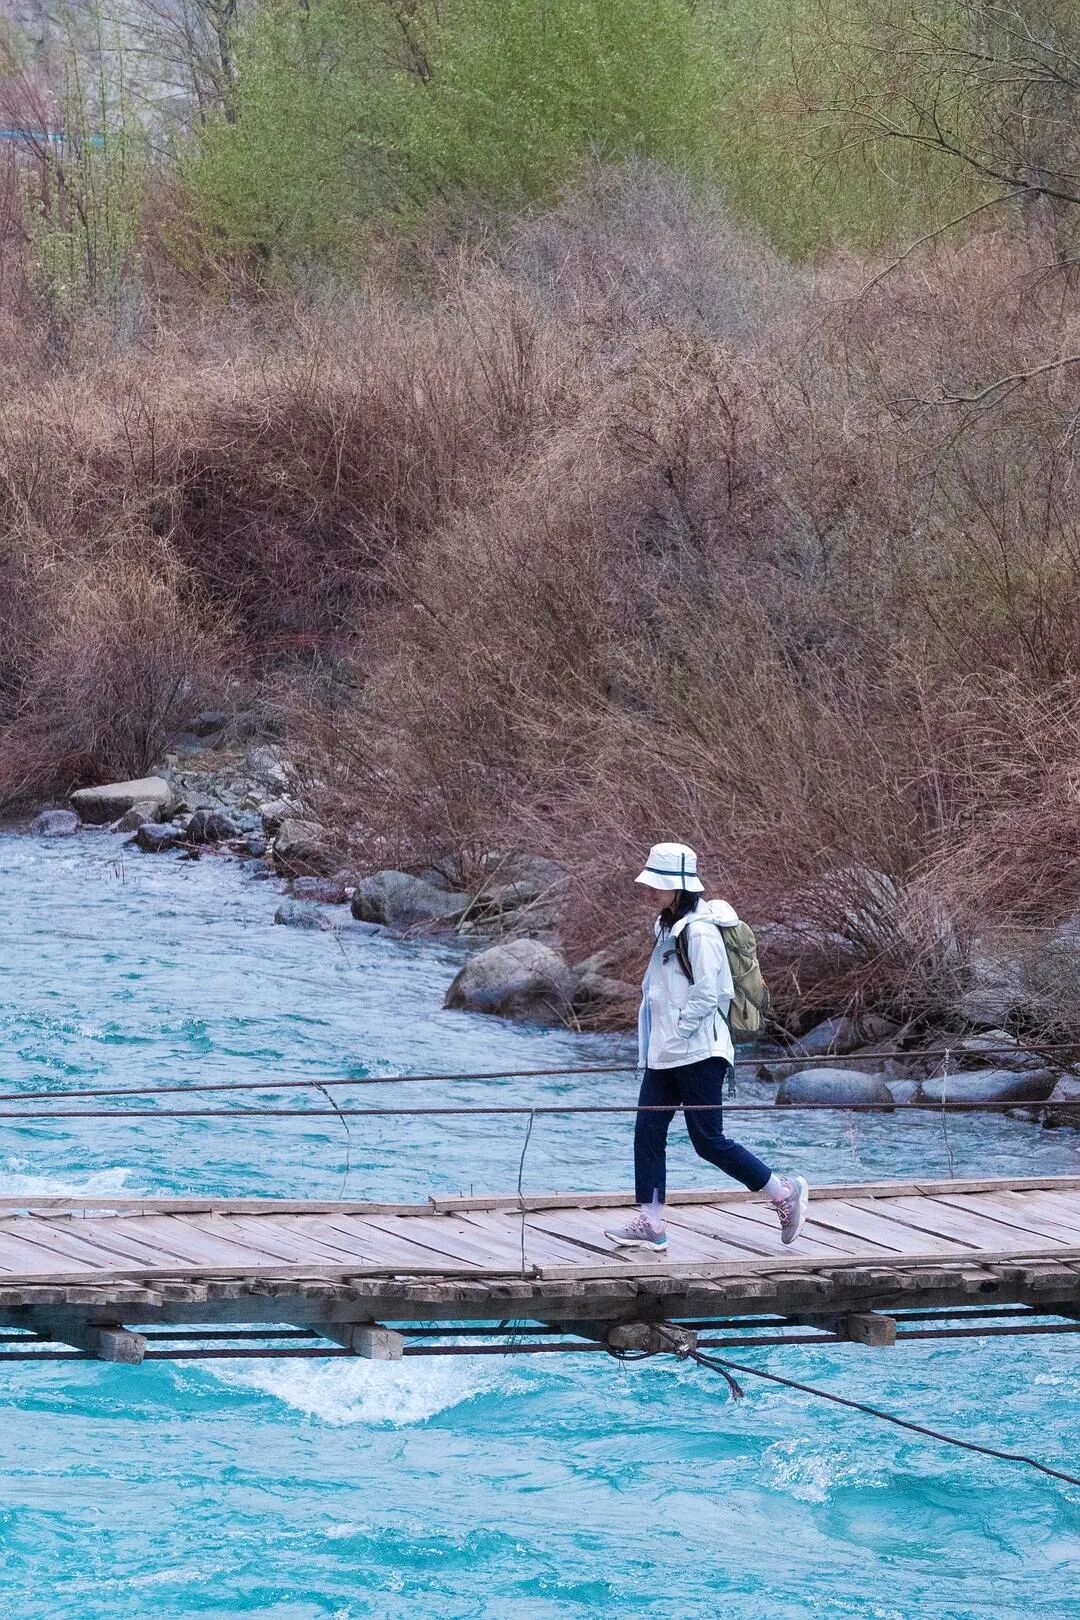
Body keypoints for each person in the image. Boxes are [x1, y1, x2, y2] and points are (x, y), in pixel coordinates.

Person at [604, 840, 809, 1253]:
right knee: (647, 1132)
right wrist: (660, 1043)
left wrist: (680, 1032)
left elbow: (711, 992)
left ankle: (784, 1193)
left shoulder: (700, 932)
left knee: (708, 1141)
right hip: (665, 1054)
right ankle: (652, 1221)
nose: (650, 890)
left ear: (679, 887)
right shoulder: (666, 926)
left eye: (658, 884)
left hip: (700, 1053)